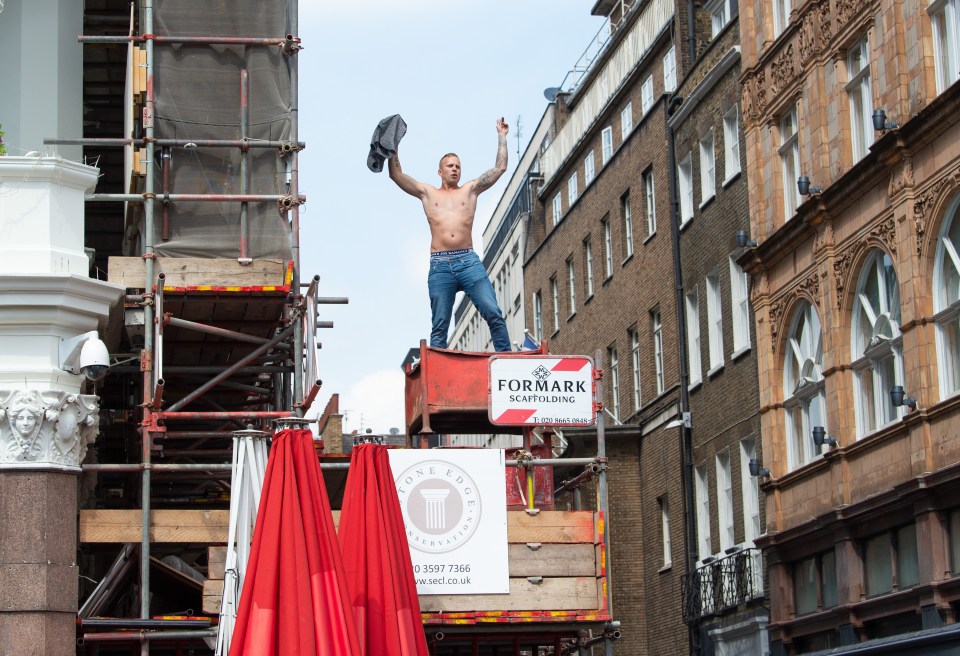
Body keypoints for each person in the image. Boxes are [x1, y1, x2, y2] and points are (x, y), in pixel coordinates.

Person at [388, 118, 512, 351]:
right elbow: (397, 175)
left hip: (468, 261)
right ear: (440, 171)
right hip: (440, 265)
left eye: (458, 166)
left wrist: (502, 136)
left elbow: (499, 169)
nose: (455, 169)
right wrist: (392, 145)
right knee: (440, 326)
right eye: (450, 166)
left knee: (493, 312)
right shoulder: (427, 193)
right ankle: (438, 375)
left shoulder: (470, 190)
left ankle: (506, 360)